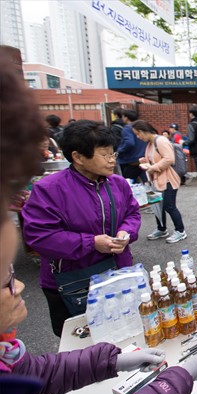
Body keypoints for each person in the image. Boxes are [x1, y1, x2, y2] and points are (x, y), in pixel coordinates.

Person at [22, 120, 141, 337]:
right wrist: (92, 243)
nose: (112, 160)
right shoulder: (49, 189)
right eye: (104, 155)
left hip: (117, 271)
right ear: (78, 157)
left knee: (125, 330)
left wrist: (126, 232)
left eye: (113, 153)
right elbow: (40, 236)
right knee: (81, 341)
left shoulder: (118, 184)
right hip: (73, 280)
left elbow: (132, 214)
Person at [133, 120, 187, 244]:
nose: (138, 137)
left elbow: (169, 159)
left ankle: (180, 231)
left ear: (143, 131)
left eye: (137, 133)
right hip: (157, 179)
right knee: (158, 205)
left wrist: (153, 168)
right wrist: (145, 161)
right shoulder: (150, 143)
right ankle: (161, 229)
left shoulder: (161, 140)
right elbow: (156, 158)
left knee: (169, 206)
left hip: (168, 179)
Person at [117, 109, 148, 183]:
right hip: (143, 159)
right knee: (146, 183)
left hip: (131, 160)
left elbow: (129, 142)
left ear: (126, 118)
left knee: (128, 183)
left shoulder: (127, 128)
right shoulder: (143, 127)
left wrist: (119, 151)